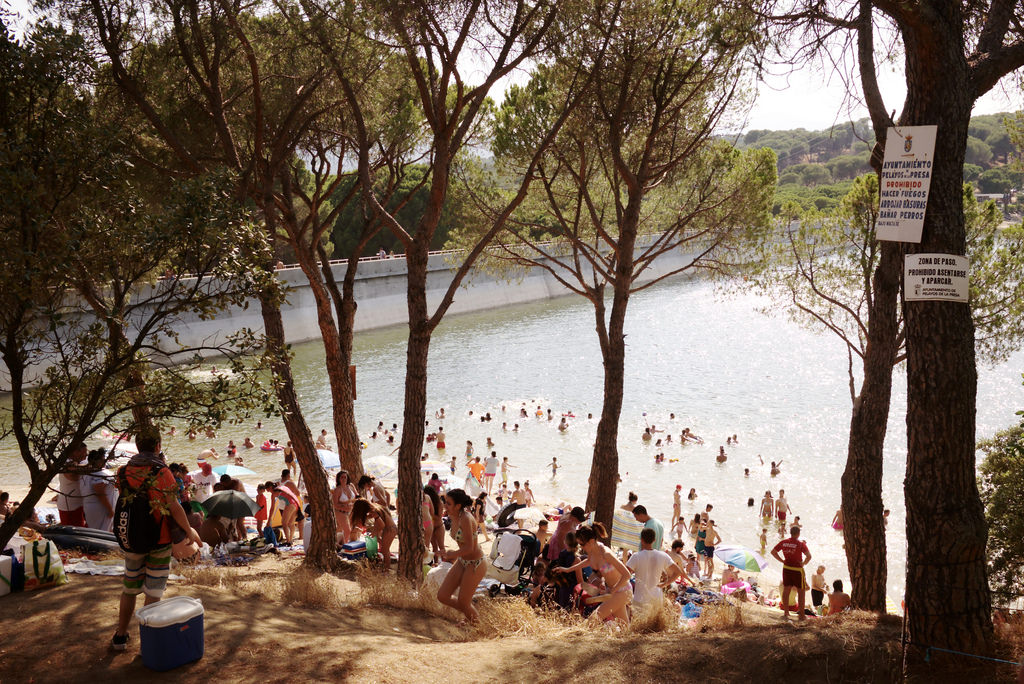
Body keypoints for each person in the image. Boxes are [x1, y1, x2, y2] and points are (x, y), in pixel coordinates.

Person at [111, 427, 202, 651]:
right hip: (158, 540)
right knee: (153, 591)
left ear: (137, 446)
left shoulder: (122, 472)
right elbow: (174, 506)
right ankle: (148, 643)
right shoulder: (162, 472)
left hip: (132, 538)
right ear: (158, 446)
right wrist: (188, 530)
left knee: (129, 588)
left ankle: (120, 636)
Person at [554, 523, 632, 624]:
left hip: (622, 591)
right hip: (614, 592)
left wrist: (613, 590)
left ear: (591, 541)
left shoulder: (606, 554)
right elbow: (588, 561)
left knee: (592, 620)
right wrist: (567, 569)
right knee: (624, 626)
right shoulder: (592, 551)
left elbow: (627, 575)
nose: (581, 547)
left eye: (582, 544)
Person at [437, 489, 487, 623]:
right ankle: (470, 613)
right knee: (442, 596)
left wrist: (451, 554)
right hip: (462, 560)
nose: (445, 505)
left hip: (476, 563)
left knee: (464, 602)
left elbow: (470, 547)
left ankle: (477, 625)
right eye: (445, 502)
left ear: (458, 506)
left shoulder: (465, 518)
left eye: (448, 503)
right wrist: (448, 553)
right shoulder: (453, 516)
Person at [626, 527, 681, 612]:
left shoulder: (636, 556)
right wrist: (665, 584)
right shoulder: (663, 555)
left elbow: (625, 574)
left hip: (640, 599)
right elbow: (678, 572)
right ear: (654, 540)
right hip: (657, 598)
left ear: (641, 540)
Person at [771, 525, 812, 620]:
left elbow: (773, 552)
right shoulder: (800, 544)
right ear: (798, 534)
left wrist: (782, 560)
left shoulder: (784, 542)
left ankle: (786, 613)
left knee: (786, 590)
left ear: (790, 533)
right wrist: (804, 563)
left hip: (786, 568)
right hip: (797, 570)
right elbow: (809, 556)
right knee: (801, 592)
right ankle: (801, 615)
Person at [350, 499, 397, 571]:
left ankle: (386, 569)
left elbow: (381, 525)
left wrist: (375, 532)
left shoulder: (374, 512)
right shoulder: (375, 508)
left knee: (385, 551)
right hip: (390, 529)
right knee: (384, 549)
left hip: (390, 530)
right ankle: (385, 567)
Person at [82, 449, 117, 532]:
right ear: (97, 461)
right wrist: (109, 509)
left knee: (95, 531)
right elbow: (99, 491)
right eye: (103, 459)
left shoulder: (86, 473)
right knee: (102, 532)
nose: (104, 461)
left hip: (90, 507)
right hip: (101, 509)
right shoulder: (100, 474)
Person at [57, 442, 88, 526]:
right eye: (84, 452)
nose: (86, 455)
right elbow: (72, 474)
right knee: (73, 532)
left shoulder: (77, 463)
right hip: (69, 507)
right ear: (75, 452)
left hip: (77, 505)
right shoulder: (67, 464)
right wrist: (92, 466)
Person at [332, 471, 357, 544]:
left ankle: (340, 543)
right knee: (347, 530)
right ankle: (345, 546)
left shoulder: (351, 486)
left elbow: (357, 496)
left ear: (347, 478)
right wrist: (344, 506)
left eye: (345, 477)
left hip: (351, 511)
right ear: (338, 479)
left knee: (342, 530)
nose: (343, 479)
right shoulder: (337, 490)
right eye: (341, 477)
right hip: (340, 512)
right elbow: (335, 504)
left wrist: (354, 503)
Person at [423, 485, 445, 557]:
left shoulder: (439, 503)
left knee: (441, 547)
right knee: (434, 547)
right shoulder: (428, 502)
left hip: (439, 526)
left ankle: (444, 561)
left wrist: (428, 514)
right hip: (431, 526)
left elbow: (439, 517)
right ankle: (435, 561)